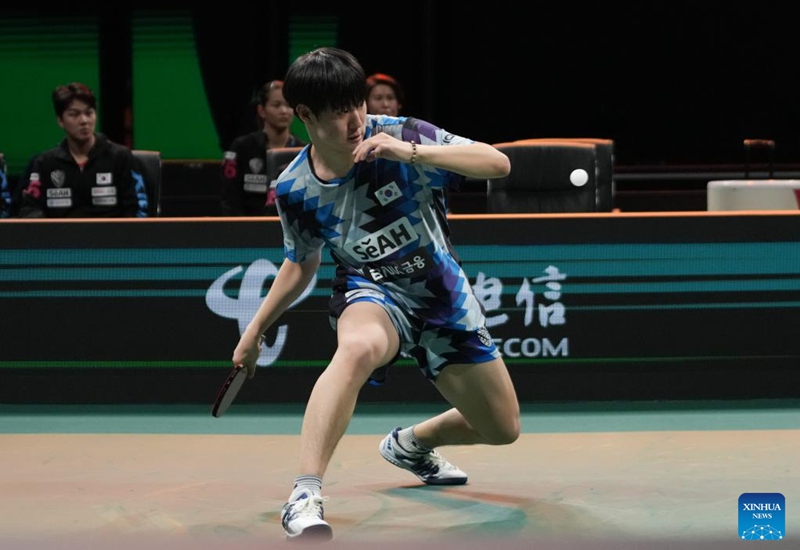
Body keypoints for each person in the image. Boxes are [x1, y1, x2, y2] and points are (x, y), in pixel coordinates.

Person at [231, 47, 520, 542]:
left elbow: (498, 164)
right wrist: (255, 328)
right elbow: (301, 264)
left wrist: (409, 152)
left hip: (440, 295)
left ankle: (410, 445)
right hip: (370, 290)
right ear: (305, 116)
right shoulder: (296, 189)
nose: (355, 120)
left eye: (358, 104)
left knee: (502, 428)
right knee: (358, 347)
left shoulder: (403, 133)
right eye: (339, 111)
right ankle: (304, 494)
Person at [17, 82, 148, 218]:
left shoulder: (120, 157)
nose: (84, 121)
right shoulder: (45, 163)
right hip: (60, 237)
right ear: (60, 121)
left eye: (89, 113)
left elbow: (138, 210)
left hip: (111, 237)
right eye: (74, 114)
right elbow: (29, 209)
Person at [220, 80, 306, 216]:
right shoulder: (241, 147)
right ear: (261, 110)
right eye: (276, 105)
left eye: (288, 105)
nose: (284, 111)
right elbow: (230, 199)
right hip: (248, 230)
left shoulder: (303, 151)